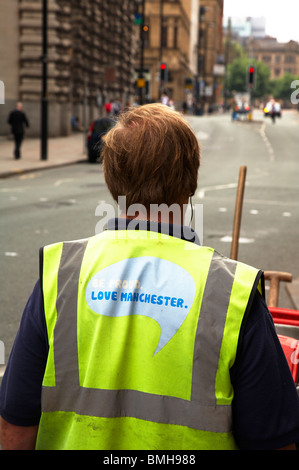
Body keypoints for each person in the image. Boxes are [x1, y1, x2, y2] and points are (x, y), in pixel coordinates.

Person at [1, 104, 299, 450]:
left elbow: (16, 427)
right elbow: (276, 442)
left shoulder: (61, 273)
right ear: (191, 182)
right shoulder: (232, 292)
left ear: (110, 179)